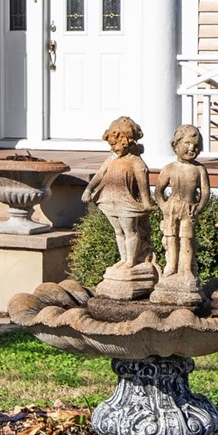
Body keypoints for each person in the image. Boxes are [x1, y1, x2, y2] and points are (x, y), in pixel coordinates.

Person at [83, 115, 156, 298]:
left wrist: (146, 202)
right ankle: (123, 259)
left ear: (127, 142)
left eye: (116, 145)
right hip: (109, 199)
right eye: (111, 145)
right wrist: (89, 189)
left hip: (126, 202)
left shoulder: (136, 162)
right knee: (118, 231)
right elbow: (100, 174)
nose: (113, 149)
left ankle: (131, 260)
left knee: (130, 231)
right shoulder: (112, 158)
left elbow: (142, 184)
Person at [151, 124, 212, 306]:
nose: (192, 148)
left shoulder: (199, 170)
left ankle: (185, 269)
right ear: (175, 145)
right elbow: (159, 191)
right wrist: (163, 206)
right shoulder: (169, 168)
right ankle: (171, 266)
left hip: (189, 208)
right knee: (171, 238)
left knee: (186, 238)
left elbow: (205, 192)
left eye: (196, 145)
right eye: (187, 144)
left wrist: (199, 208)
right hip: (172, 208)